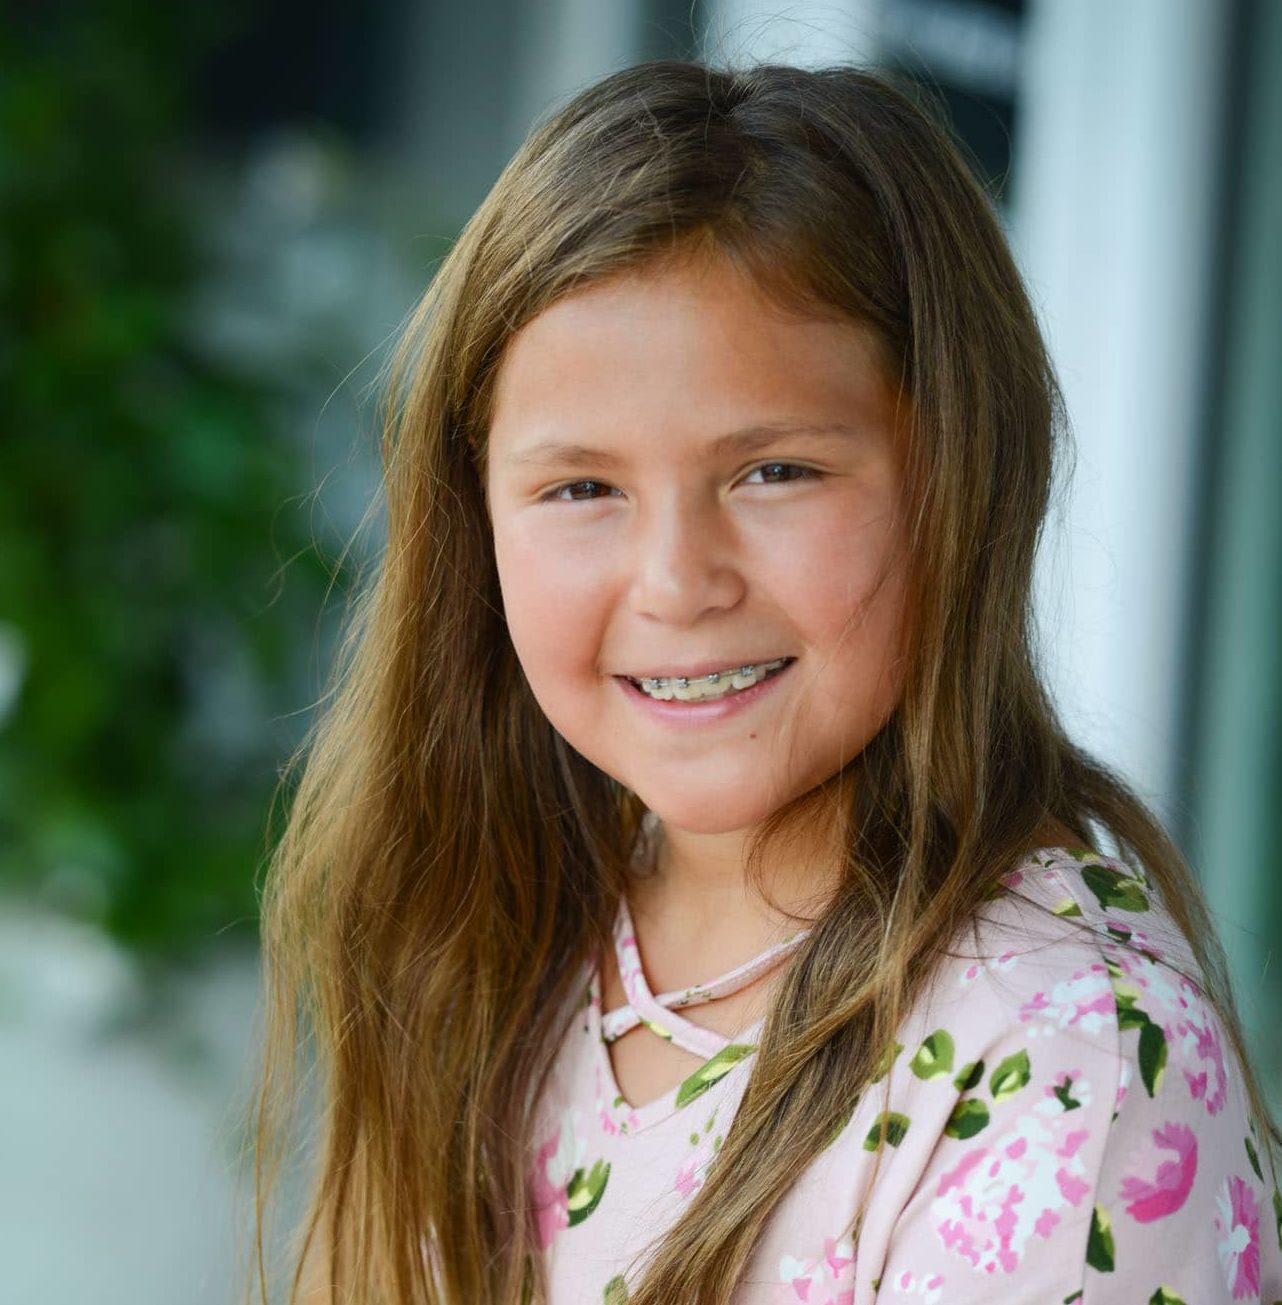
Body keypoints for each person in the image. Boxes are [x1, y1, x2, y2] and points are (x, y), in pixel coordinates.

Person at [253, 61, 1282, 1305]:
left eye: (774, 472)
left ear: (957, 476)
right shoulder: (492, 931)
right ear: (474, 529)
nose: (678, 582)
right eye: (582, 489)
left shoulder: (1067, 1065)